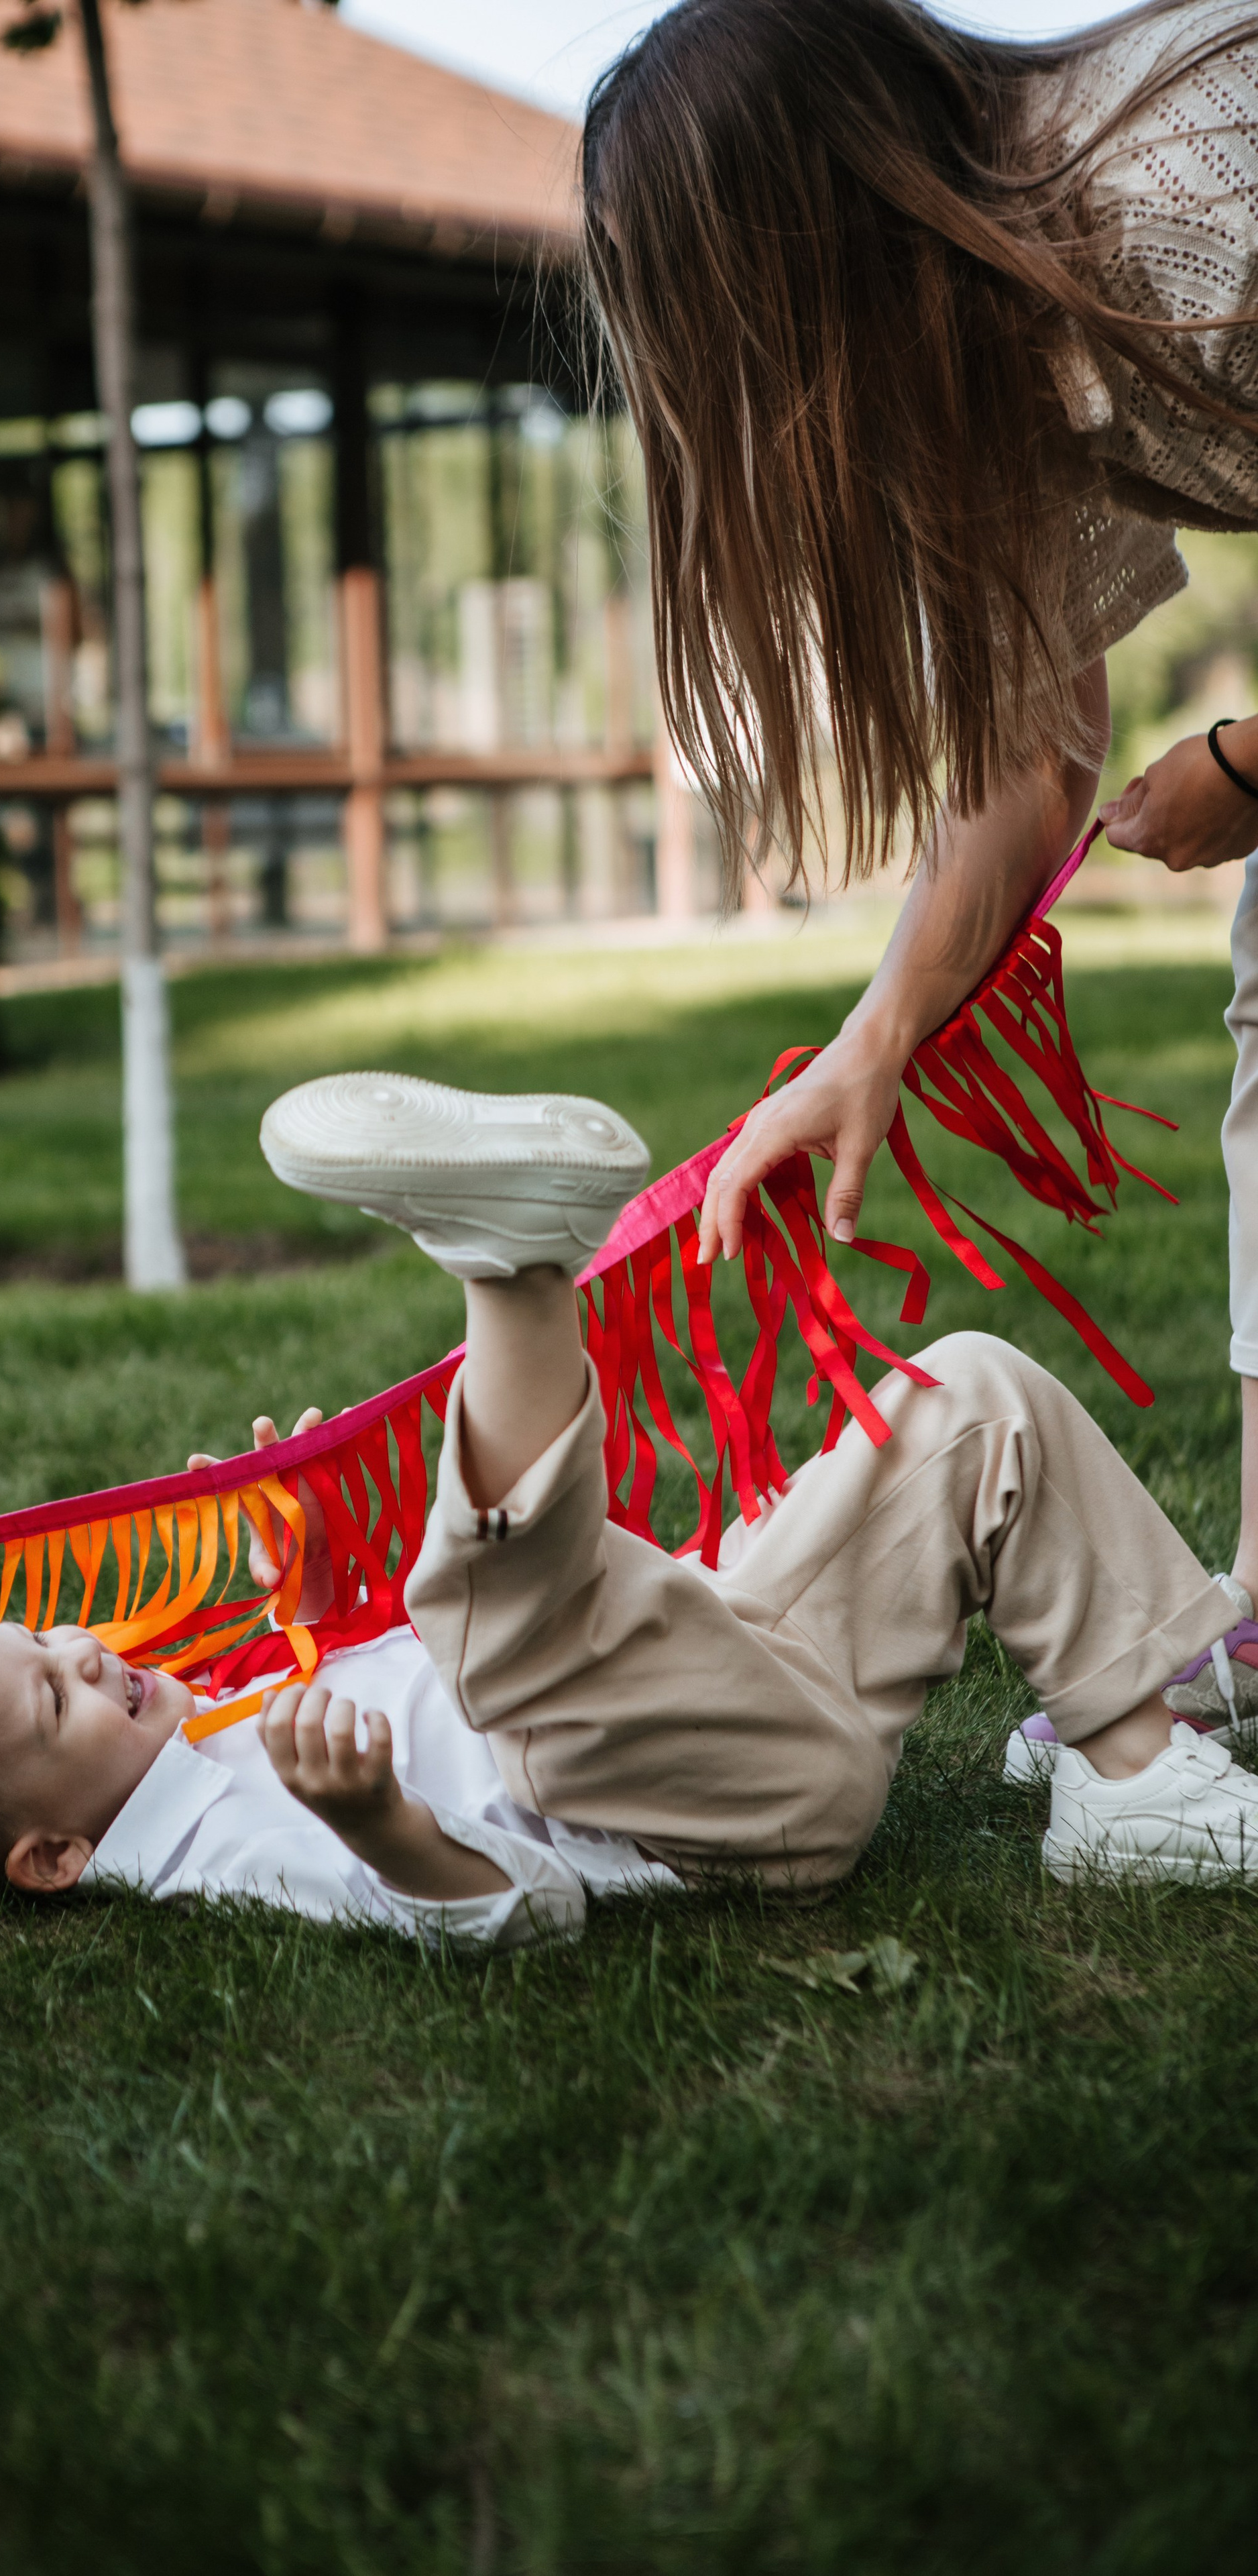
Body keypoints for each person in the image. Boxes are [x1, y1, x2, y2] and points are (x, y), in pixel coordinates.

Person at [0, 1076, 1258, 1935]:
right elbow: (499, 1910)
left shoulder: (215, 1722)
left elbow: (380, 1676)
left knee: (963, 1399)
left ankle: (1133, 1767)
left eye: (44, 1643)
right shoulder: (210, 1848)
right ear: (52, 1858)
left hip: (727, 1669)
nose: (85, 1659)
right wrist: (377, 1820)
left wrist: (303, 1604)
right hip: (713, 1806)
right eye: (51, 1705)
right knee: (503, 1635)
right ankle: (510, 1262)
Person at [581, 0, 1258, 1718]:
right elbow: (1028, 750)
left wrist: (1248, 769)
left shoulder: (1194, 189)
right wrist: (871, 1040)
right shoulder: (994, 353)